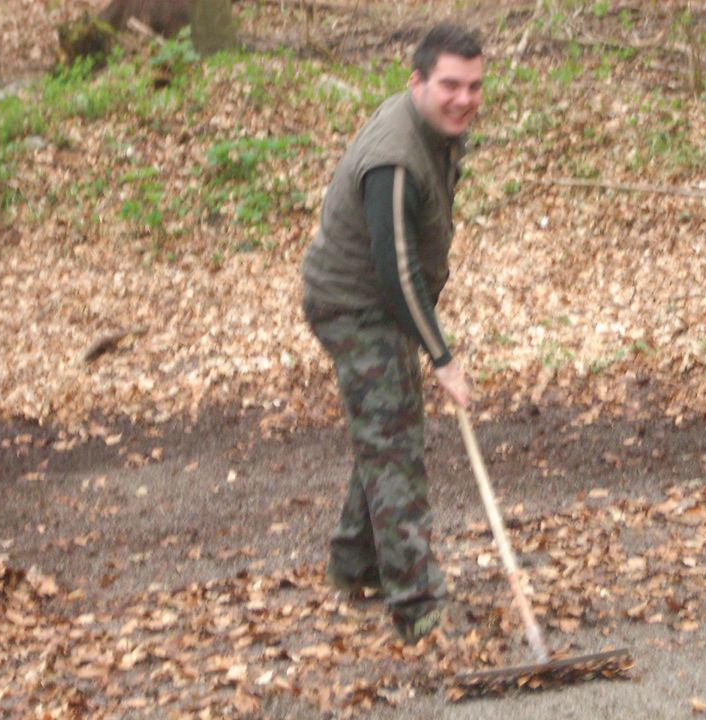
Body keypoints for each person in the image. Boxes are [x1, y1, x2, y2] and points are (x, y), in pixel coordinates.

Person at [301, 23, 483, 641]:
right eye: (450, 86)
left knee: (386, 433)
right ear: (418, 82)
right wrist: (442, 357)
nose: (463, 99)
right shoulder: (395, 158)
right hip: (356, 305)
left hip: (384, 302)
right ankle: (417, 607)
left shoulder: (435, 128)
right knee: (396, 448)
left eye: (474, 86)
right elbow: (395, 268)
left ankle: (357, 564)